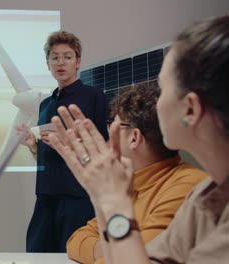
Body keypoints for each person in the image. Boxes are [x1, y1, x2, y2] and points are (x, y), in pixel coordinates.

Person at [48, 15, 229, 263]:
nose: (156, 100)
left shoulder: (188, 188)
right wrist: (106, 198)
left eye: (163, 89)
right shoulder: (205, 196)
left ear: (190, 110)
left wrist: (113, 204)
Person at [66, 84, 207, 263]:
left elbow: (132, 260)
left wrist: (107, 249)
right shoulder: (130, 182)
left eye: (112, 126)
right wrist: (109, 250)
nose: (107, 135)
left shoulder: (186, 186)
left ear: (134, 137)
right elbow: (76, 240)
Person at [18, 31, 109, 253]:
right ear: (48, 63)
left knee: (73, 255)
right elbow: (44, 156)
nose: (61, 62)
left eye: (67, 57)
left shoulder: (94, 96)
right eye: (55, 57)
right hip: (46, 195)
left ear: (78, 62)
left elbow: (105, 149)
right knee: (36, 254)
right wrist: (33, 145)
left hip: (78, 195)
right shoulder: (45, 104)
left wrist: (67, 141)